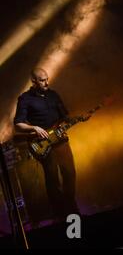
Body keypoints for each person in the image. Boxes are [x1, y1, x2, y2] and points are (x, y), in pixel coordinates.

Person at [13, 68, 79, 221]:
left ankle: (70, 206)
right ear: (34, 81)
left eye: (47, 79)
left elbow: (65, 116)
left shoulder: (53, 95)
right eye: (42, 80)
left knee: (70, 172)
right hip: (43, 144)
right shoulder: (25, 99)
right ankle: (60, 213)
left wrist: (67, 123)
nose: (47, 82)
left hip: (61, 141)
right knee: (52, 178)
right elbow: (18, 125)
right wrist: (34, 128)